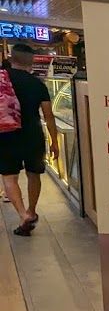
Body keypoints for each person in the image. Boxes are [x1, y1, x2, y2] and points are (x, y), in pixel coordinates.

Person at [0, 43, 59, 236]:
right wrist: (54, 141)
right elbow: (49, 115)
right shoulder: (38, 84)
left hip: (7, 135)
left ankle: (22, 213)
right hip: (33, 134)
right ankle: (32, 210)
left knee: (10, 178)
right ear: (31, 61)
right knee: (34, 173)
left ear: (11, 58)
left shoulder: (2, 79)